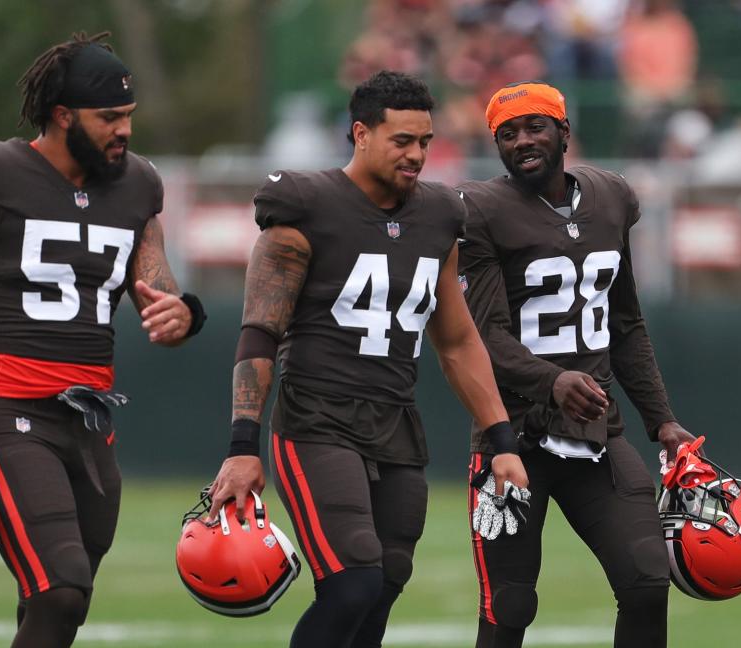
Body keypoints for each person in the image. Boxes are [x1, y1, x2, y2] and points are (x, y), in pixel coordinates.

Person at [207, 70, 528, 648]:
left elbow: (456, 340)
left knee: (386, 582)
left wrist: (501, 441)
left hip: (396, 422)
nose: (416, 155)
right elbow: (259, 333)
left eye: (425, 142)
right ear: (360, 133)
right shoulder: (305, 204)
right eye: (402, 140)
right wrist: (241, 447)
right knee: (352, 581)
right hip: (317, 418)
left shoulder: (438, 217)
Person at [0, 31, 205, 648]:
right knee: (59, 585)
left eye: (128, 116)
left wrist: (184, 314)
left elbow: (160, 290)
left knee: (64, 603)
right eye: (109, 118)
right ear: (63, 115)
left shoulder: (136, 187)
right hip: (9, 407)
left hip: (91, 417)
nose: (123, 131)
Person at [456, 81, 696, 648]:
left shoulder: (611, 197)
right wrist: (553, 380)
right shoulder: (482, 210)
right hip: (511, 436)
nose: (522, 142)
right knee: (509, 605)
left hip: (596, 434)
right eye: (507, 134)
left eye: (535, 127)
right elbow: (480, 335)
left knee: (645, 582)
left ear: (564, 132)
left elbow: (626, 322)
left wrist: (661, 420)